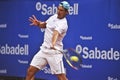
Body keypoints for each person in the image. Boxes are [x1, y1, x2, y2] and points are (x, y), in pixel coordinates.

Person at [25, 1, 70, 80]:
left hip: (54, 53)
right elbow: (45, 25)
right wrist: (39, 23)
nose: (59, 12)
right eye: (58, 9)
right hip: (43, 50)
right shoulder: (53, 17)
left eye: (61, 10)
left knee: (61, 77)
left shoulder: (63, 24)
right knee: (30, 71)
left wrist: (53, 43)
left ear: (66, 12)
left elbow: (55, 33)